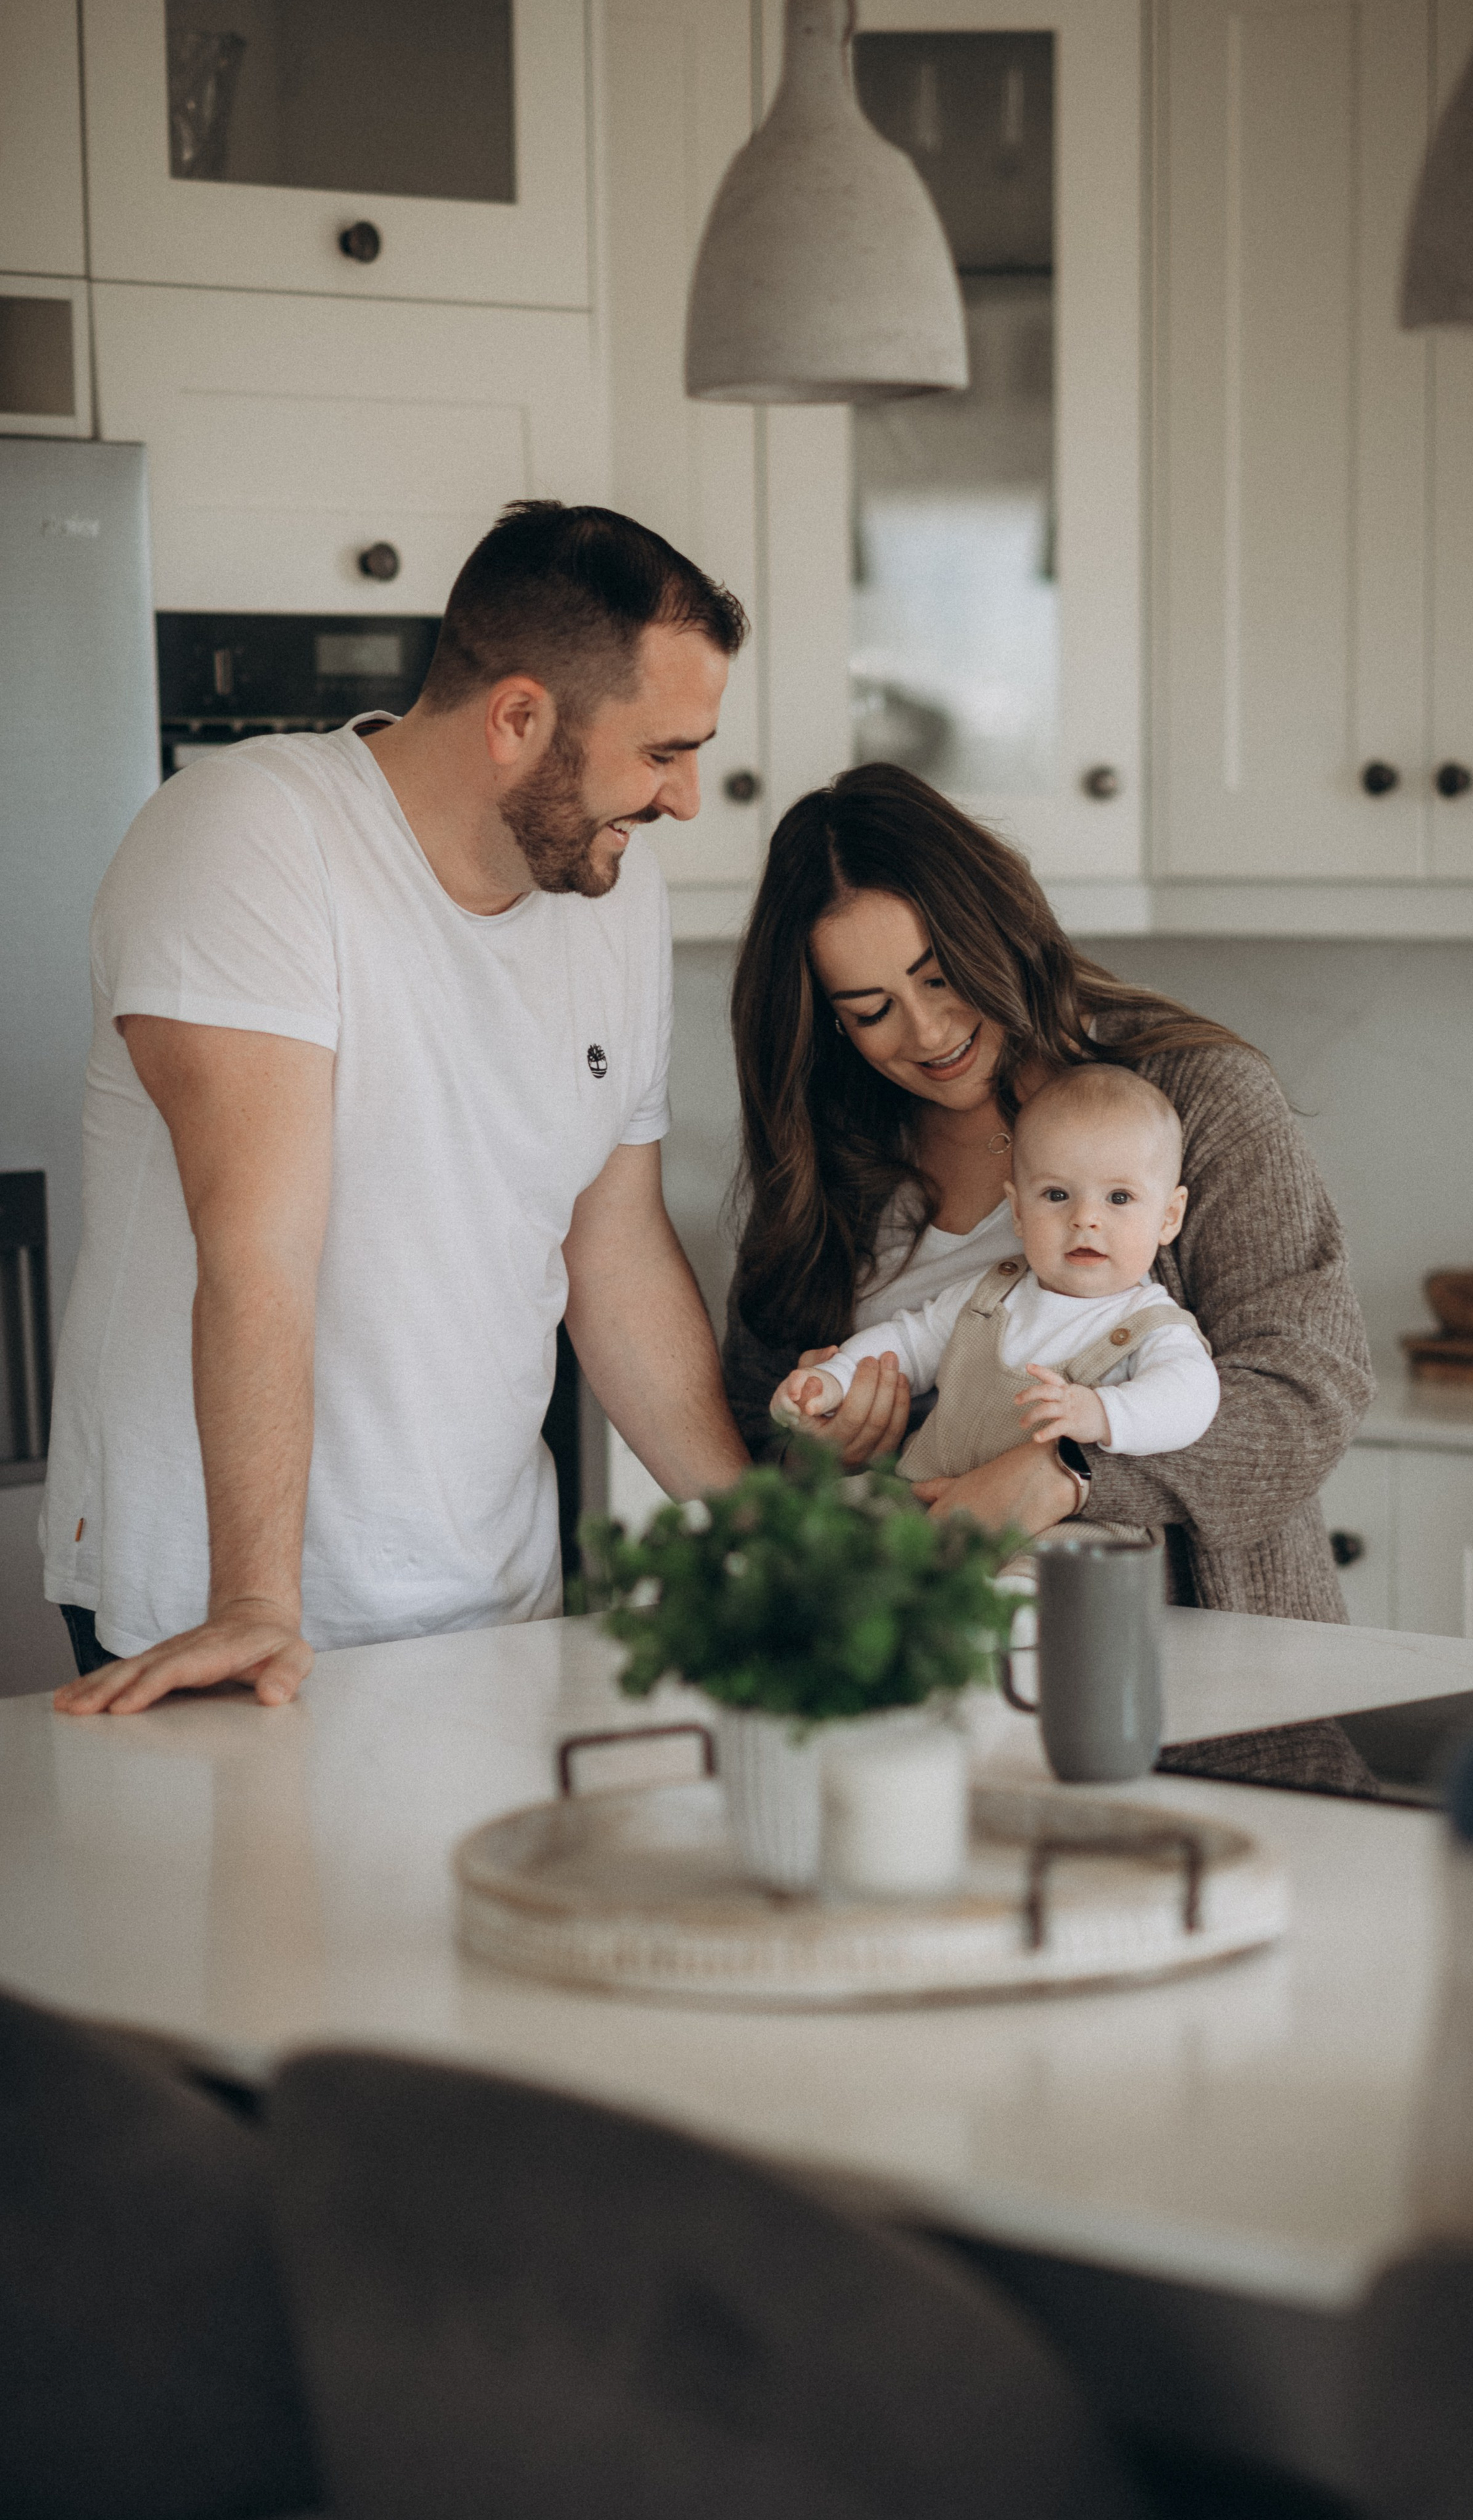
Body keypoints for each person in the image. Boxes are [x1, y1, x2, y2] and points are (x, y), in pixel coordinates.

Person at [48, 502, 753, 1716]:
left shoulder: (612, 891)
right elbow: (258, 1246)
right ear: (519, 717)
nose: (687, 798)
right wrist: (259, 1607)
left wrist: (763, 1536)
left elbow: (616, 1250)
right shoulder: (254, 837)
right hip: (224, 1611)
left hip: (494, 1600)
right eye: (661, 751)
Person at [725, 764, 1378, 1788]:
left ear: (998, 927)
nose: (927, 1033)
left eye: (940, 977)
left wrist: (1066, 1472)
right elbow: (756, 1424)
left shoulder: (1194, 1097)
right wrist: (821, 1438)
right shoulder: (829, 1159)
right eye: (870, 1009)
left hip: (1205, 1701)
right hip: (917, 1715)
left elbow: (1307, 1393)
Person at [770, 1063, 1220, 1523]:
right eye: (1057, 1195)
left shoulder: (1152, 1323)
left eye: (1119, 1198)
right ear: (1018, 1210)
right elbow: (906, 1342)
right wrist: (836, 1378)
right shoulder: (991, 1294)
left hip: (1049, 1526)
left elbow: (1192, 1396)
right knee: (826, 1520)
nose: (1086, 1218)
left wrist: (1105, 1412)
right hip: (923, 1495)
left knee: (1049, 1573)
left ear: (1169, 1216)